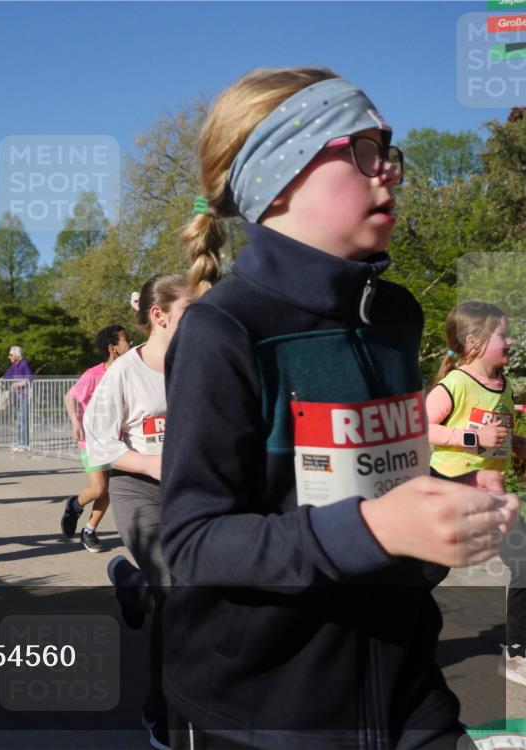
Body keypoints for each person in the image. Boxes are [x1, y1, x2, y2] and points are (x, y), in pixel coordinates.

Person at [160, 68, 520, 749]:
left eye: (391, 150)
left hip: (406, 684)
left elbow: (385, 486)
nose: (390, 169)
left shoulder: (396, 315)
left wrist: (450, 498)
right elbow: (192, 540)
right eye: (363, 148)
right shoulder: (223, 330)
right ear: (280, 173)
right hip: (265, 709)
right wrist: (378, 528)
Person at [85, 276, 193, 749]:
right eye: (192, 307)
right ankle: (161, 710)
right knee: (174, 590)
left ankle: (132, 586)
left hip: (191, 492)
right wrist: (150, 461)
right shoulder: (124, 373)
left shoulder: (200, 364)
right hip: (136, 489)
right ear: (160, 314)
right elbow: (99, 442)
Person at [426, 301, 526, 686]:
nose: (511, 340)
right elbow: (421, 425)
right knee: (430, 571)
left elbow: (495, 434)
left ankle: (517, 653)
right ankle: (391, 639)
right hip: (451, 487)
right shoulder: (456, 384)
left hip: (491, 494)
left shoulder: (504, 385)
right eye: (503, 334)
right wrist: (474, 437)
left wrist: (515, 444)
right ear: (474, 342)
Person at [61, 324, 131, 553]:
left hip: (116, 440)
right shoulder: (93, 374)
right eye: (125, 340)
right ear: (113, 348)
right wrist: (75, 422)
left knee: (109, 490)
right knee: (99, 488)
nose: (129, 343)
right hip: (90, 440)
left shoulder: (126, 372)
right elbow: (69, 397)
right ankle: (74, 504)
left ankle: (89, 531)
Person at [2, 345, 34, 450]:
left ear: (16, 355)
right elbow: (7, 375)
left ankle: (24, 444)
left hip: (25, 395)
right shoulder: (14, 365)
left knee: (23, 419)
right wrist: (2, 379)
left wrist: (18, 384)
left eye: (11, 355)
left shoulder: (24, 363)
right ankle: (20, 442)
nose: (9, 357)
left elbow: (30, 378)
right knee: (19, 419)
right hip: (18, 396)